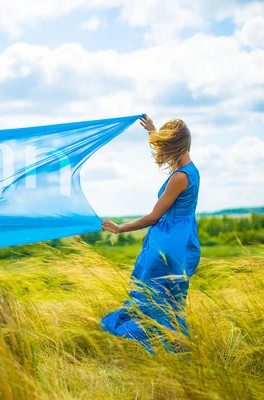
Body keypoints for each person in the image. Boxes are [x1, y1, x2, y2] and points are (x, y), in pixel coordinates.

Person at [100, 114, 200, 353]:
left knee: (152, 298)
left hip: (166, 244)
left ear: (173, 146)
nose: (161, 152)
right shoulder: (192, 171)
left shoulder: (179, 177)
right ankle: (172, 348)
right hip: (183, 242)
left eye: (164, 146)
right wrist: (152, 130)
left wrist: (119, 228)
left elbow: (154, 217)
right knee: (170, 299)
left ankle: (159, 347)